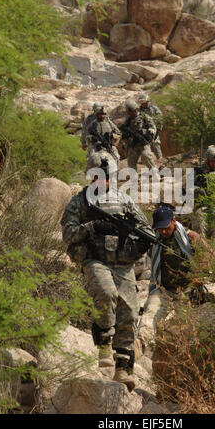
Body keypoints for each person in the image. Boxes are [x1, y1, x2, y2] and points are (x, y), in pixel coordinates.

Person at [61, 159, 153, 391]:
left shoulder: (124, 200)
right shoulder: (80, 202)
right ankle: (104, 342)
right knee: (106, 293)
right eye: (99, 176)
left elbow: (145, 226)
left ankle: (123, 368)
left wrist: (141, 238)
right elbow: (68, 234)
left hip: (123, 262)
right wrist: (92, 227)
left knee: (130, 313)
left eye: (108, 176)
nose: (104, 180)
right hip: (95, 259)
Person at [137, 204, 215, 352]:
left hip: (187, 292)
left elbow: (209, 256)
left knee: (183, 327)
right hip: (163, 290)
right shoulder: (154, 240)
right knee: (150, 315)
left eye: (166, 227)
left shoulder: (191, 237)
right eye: (160, 228)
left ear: (174, 221)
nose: (164, 231)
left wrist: (198, 274)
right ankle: (138, 346)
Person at [191, 145, 215, 249]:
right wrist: (197, 190)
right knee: (200, 226)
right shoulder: (197, 171)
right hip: (200, 206)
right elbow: (185, 189)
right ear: (208, 160)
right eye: (213, 161)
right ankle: (201, 252)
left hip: (214, 205)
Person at [82, 104, 121, 177]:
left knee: (116, 157)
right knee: (92, 157)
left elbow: (118, 132)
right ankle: (89, 175)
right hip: (95, 144)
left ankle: (114, 174)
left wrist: (112, 136)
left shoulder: (108, 121)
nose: (102, 116)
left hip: (108, 144)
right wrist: (89, 140)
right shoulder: (92, 123)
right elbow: (85, 132)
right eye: (100, 114)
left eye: (103, 114)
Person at [120, 99, 157, 171]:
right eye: (131, 111)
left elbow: (153, 127)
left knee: (146, 156)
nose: (132, 113)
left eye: (134, 110)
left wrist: (148, 133)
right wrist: (125, 140)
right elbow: (123, 133)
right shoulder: (128, 121)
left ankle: (155, 173)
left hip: (143, 143)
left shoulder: (144, 117)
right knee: (131, 162)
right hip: (133, 145)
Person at [138, 94, 163, 160]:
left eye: (144, 103)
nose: (143, 105)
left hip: (154, 129)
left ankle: (160, 158)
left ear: (148, 102)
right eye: (142, 103)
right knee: (144, 145)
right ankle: (145, 159)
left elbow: (160, 119)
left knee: (155, 143)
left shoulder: (154, 109)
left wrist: (158, 130)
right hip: (144, 130)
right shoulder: (139, 110)